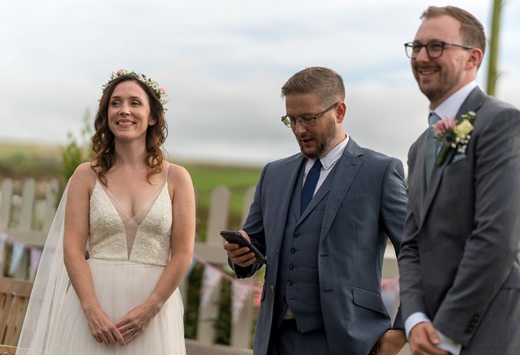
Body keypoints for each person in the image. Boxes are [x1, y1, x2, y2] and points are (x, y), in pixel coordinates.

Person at [398, 6, 520, 355]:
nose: (423, 57)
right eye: (417, 46)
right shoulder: (419, 147)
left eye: (437, 46)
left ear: (473, 58)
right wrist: (414, 319)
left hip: (500, 334)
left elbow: (498, 237)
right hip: (431, 335)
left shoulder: (504, 124)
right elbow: (410, 244)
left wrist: (448, 331)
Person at [223, 66, 407, 355]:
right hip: (276, 341)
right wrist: (242, 256)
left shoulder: (380, 171)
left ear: (340, 111)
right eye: (291, 120)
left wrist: (402, 330)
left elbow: (415, 252)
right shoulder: (274, 173)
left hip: (348, 341)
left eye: (308, 118)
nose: (299, 130)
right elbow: (255, 245)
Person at [17, 70, 196, 354]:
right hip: (92, 308)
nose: (124, 110)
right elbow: (73, 249)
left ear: (152, 117)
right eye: (116, 103)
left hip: (153, 312)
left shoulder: (177, 178)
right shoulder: (85, 175)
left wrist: (151, 308)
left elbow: (183, 253)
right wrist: (90, 310)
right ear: (107, 114)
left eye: (135, 103)